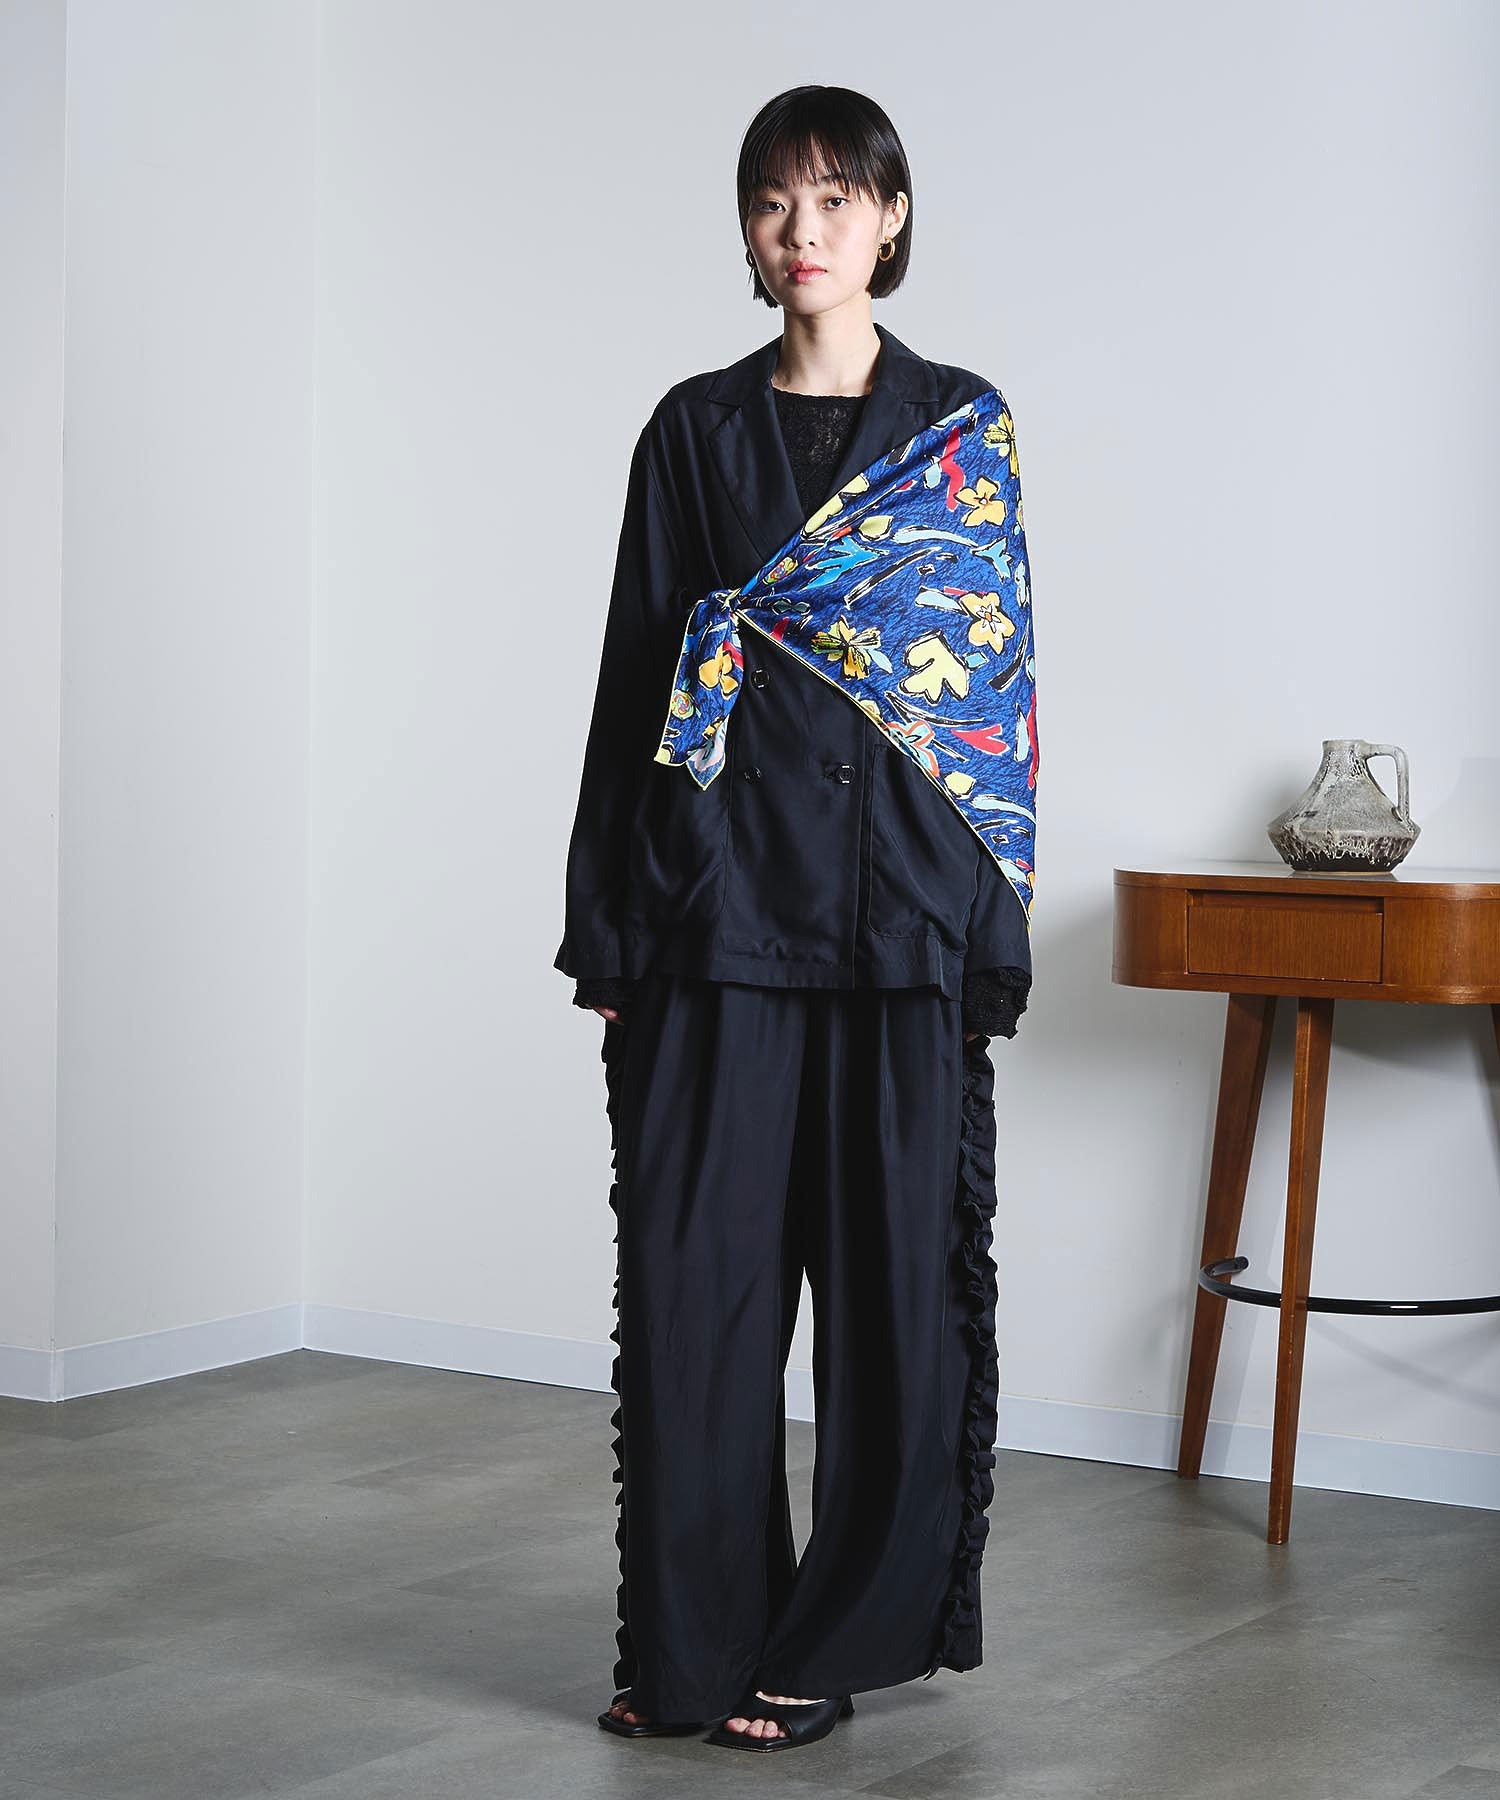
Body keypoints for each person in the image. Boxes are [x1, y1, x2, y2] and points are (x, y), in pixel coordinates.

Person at [553, 84, 1037, 1754]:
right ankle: (689, 1648)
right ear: (748, 230)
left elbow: (990, 700)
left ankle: (837, 1639)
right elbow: (638, 674)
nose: (804, 230)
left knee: (897, 1302)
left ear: (892, 217)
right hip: (717, 907)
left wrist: (987, 932)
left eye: (837, 198)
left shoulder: (960, 426)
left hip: (902, 916)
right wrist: (608, 920)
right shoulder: (692, 431)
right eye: (776, 201)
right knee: (696, 1295)